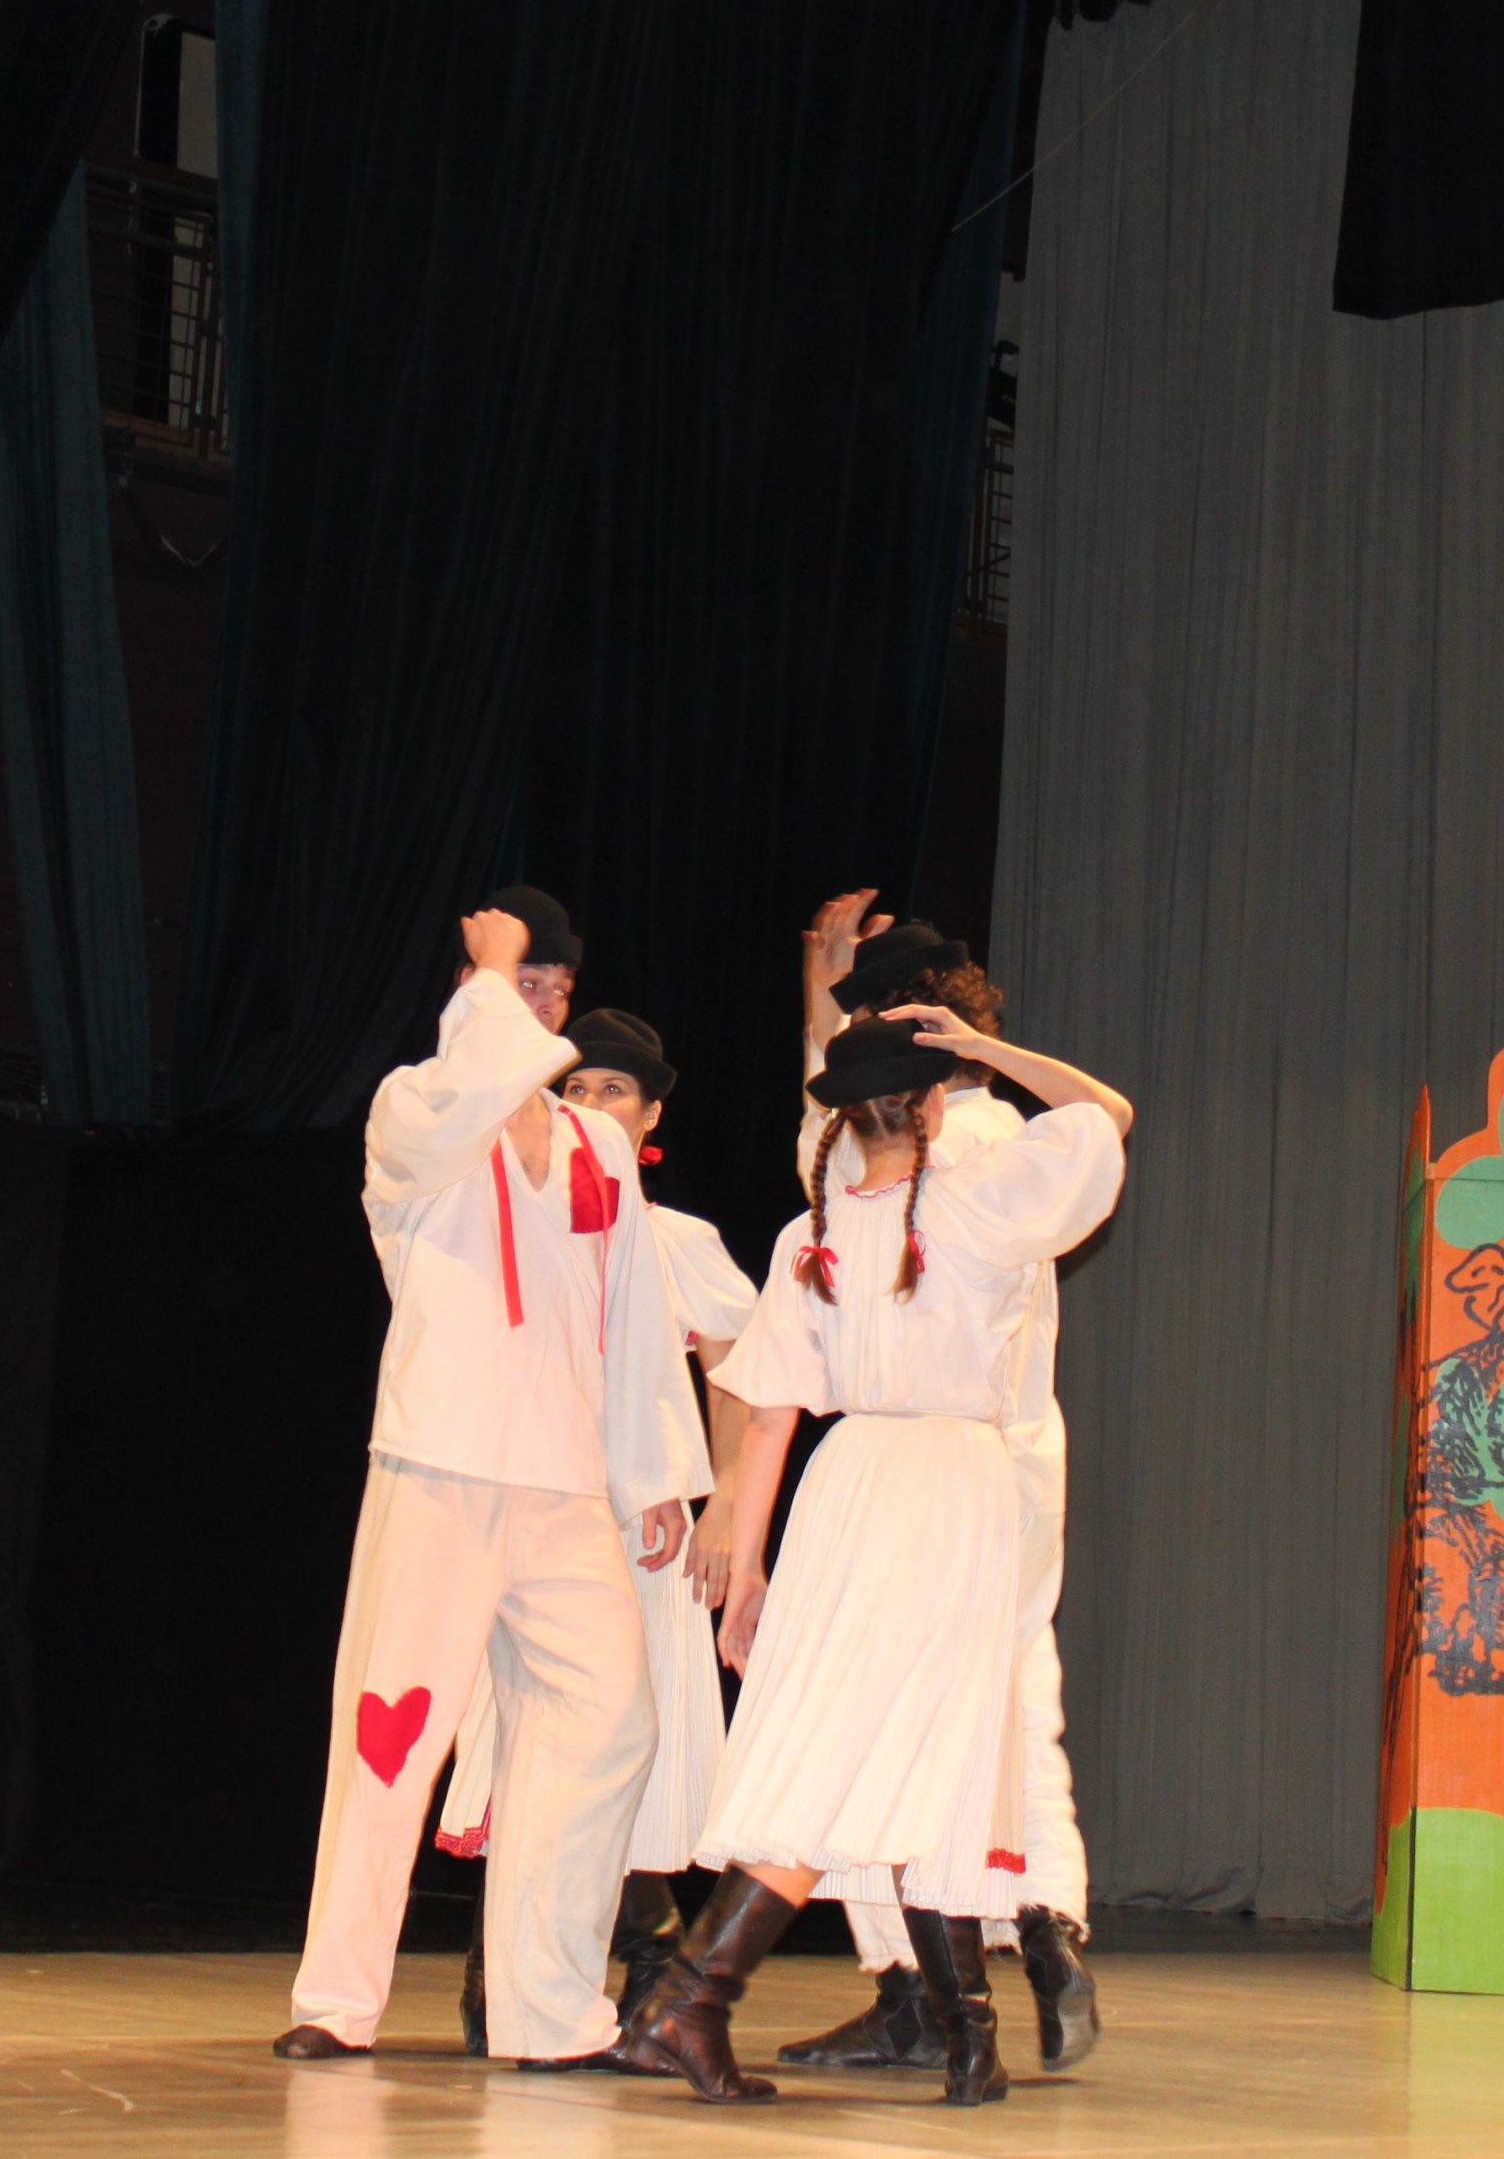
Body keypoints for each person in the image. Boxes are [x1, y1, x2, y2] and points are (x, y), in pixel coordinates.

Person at [621, 1006, 1134, 2106]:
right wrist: (986, 1047)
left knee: (874, 1743)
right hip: (949, 1485)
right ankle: (704, 2001)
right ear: (935, 1105)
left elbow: (770, 1413)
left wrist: (747, 1565)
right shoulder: (982, 1201)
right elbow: (1106, 1114)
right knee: (926, 1747)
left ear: (845, 1120)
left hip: (849, 1485)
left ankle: (951, 2037)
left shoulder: (809, 1230)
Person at [278, 891, 666, 2066]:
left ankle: (549, 2011)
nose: (539, 1004)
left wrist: (647, 1471)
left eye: (553, 986)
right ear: (470, 994)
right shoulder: (414, 1109)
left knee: (609, 1720)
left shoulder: (599, 1144)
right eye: (516, 981)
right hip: (440, 1463)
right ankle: (336, 2000)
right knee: (389, 1741)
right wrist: (489, 979)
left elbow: (631, 1315)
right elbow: (472, 1090)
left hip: (563, 1480)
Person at [776, 896, 1104, 2073]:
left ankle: (911, 1983)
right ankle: (1046, 1919)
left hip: (918, 1460)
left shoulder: (892, 1154)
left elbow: (821, 1144)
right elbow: (1101, 1119)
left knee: (876, 1713)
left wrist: (822, 1005)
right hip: (1014, 1452)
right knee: (1018, 1693)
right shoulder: (1015, 1135)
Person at [435, 1009, 761, 2052]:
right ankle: (512, 1968)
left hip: (639, 1518)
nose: (589, 1106)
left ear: (651, 1115)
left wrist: (724, 1501)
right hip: (527, 1500)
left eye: (612, 1091)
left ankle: (651, 1964)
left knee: (618, 1734)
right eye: (573, 1089)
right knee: (523, 1729)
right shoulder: (517, 1222)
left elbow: (741, 1375)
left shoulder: (676, 1240)